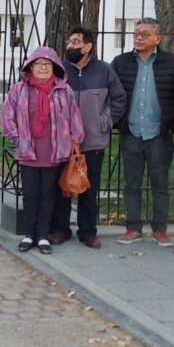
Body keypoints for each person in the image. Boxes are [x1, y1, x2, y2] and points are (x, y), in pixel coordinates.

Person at [110, 18, 174, 247]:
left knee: (160, 183)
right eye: (136, 33)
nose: (139, 37)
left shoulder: (172, 64)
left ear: (158, 38)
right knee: (131, 183)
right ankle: (133, 228)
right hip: (132, 132)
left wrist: (173, 126)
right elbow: (112, 94)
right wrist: (118, 122)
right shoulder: (121, 62)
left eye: (145, 34)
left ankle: (160, 229)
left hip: (159, 134)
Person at [0, 46, 85, 255]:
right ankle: (29, 234)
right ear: (30, 66)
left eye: (48, 64)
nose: (43, 68)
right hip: (28, 151)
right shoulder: (18, 90)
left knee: (48, 194)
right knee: (30, 194)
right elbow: (6, 117)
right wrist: (18, 140)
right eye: (39, 64)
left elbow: (75, 119)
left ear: (55, 67)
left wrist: (74, 140)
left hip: (54, 151)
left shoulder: (64, 90)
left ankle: (43, 235)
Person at [50, 27, 126, 249]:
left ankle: (88, 232)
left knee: (88, 188)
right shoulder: (59, 71)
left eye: (76, 41)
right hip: (63, 142)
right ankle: (60, 229)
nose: (70, 45)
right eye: (69, 41)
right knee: (63, 187)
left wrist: (102, 123)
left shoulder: (104, 71)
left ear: (88, 46)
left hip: (92, 142)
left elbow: (118, 99)